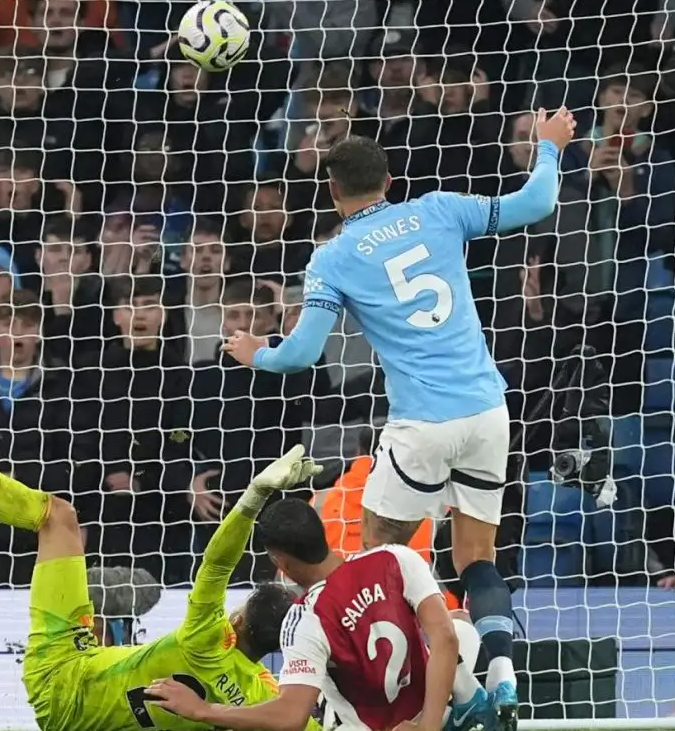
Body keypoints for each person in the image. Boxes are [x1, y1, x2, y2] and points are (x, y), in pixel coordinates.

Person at [221, 107, 577, 729]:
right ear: (390, 180)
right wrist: (548, 147)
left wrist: (258, 354)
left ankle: (417, 695)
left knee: (377, 562)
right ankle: (500, 674)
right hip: (489, 410)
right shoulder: (441, 208)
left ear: (333, 191)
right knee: (476, 557)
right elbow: (536, 203)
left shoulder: (332, 258)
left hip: (422, 425)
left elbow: (303, 354)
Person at [0, 376, 321, 731]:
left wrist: (254, 496)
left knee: (57, 517)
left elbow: (218, 562)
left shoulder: (207, 638)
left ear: (237, 619)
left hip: (61, 675)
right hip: (83, 719)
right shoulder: (264, 700)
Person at [149, 497, 489, 731]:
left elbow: (291, 715)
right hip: (434, 715)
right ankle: (480, 695)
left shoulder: (304, 622)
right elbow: (444, 638)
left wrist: (202, 710)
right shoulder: (395, 558)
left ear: (279, 562)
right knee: (459, 624)